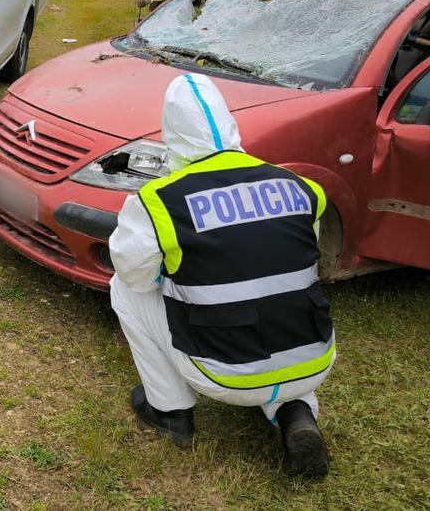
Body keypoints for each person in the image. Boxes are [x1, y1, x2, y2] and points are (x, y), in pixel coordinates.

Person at [108, 73, 335, 478]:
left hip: (222, 371)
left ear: (171, 134)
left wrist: (176, 272)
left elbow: (135, 274)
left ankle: (170, 412)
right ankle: (297, 412)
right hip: (315, 357)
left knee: (124, 289)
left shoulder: (159, 200)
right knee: (279, 300)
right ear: (230, 125)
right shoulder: (300, 186)